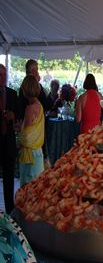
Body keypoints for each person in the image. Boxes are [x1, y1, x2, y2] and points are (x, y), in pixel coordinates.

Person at [0, 64, 19, 214]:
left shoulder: (12, 93)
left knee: (9, 180)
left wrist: (13, 117)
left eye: (5, 74)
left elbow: (19, 115)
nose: (3, 77)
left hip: (9, 142)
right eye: (0, 75)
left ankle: (9, 212)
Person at [19, 75, 44, 187]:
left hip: (30, 154)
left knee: (27, 187)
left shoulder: (30, 108)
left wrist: (19, 130)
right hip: (38, 151)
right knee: (37, 186)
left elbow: (26, 134)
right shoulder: (40, 105)